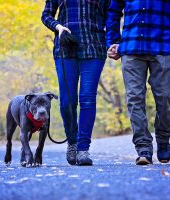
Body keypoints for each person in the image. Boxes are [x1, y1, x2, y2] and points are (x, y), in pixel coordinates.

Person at [106, 0, 170, 165]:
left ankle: (163, 138)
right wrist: (113, 41)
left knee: (167, 97)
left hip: (163, 48)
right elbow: (113, 12)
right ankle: (143, 147)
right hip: (131, 49)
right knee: (134, 98)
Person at [41, 0, 110, 166]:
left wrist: (111, 39)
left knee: (87, 98)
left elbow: (111, 16)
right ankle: (72, 142)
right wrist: (58, 27)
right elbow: (46, 15)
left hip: (94, 48)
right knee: (66, 102)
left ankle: (83, 149)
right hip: (65, 49)